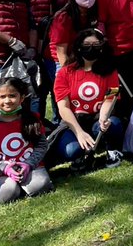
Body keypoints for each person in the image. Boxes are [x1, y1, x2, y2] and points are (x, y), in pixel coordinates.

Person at [51, 29, 124, 169]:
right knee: (71, 150)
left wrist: (103, 117)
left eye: (96, 44)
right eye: (87, 44)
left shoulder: (110, 71)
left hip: (97, 118)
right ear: (78, 47)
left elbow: (110, 98)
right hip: (73, 120)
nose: (92, 48)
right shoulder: (65, 73)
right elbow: (63, 107)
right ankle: (81, 154)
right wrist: (78, 132)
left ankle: (113, 150)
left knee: (113, 124)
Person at [0, 78, 54, 204]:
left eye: (12, 96)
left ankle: (24, 186)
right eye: (2, 96)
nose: (7, 101)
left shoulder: (32, 119)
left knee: (40, 185)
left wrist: (28, 164)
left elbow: (41, 146)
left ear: (22, 98)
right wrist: (4, 168)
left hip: (29, 168)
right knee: (8, 191)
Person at [24, 0, 70, 122]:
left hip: (60, 52)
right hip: (37, 52)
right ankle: (37, 130)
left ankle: (61, 128)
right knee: (37, 95)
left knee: (60, 93)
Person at [49, 0, 102, 67]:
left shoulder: (93, 13)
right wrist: (67, 74)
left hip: (84, 58)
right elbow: (61, 52)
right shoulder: (64, 17)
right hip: (61, 60)